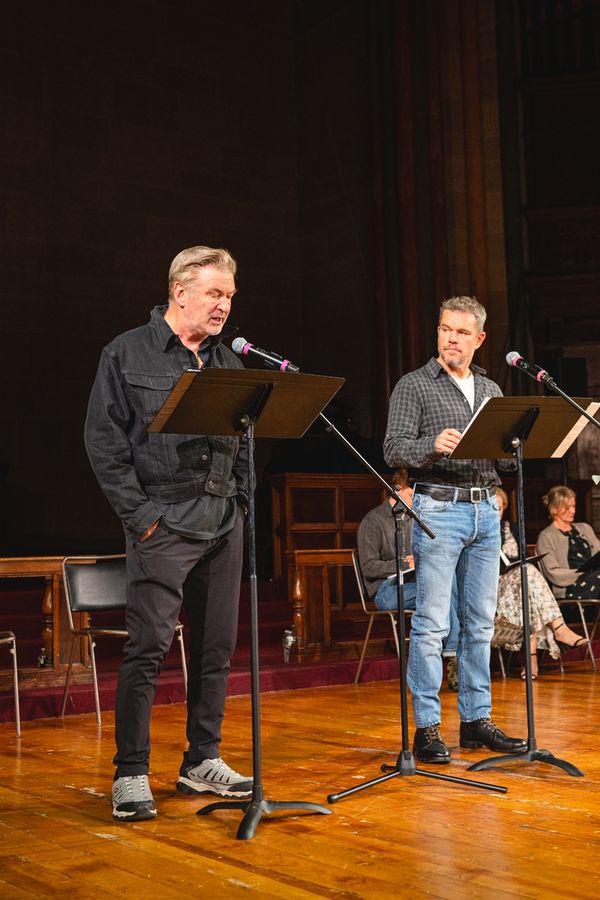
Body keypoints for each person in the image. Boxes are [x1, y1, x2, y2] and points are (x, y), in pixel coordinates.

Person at [85, 245, 253, 821]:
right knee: (148, 650)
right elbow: (104, 446)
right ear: (179, 291)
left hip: (222, 523)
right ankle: (131, 770)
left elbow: (244, 442)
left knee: (215, 648)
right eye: (214, 293)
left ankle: (201, 759)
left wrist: (242, 505)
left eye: (229, 296)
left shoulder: (229, 361)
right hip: (163, 525)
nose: (224, 306)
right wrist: (143, 519)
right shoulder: (126, 352)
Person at [383, 295, 526, 764]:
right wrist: (432, 445)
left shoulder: (491, 391)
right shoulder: (414, 385)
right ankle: (427, 727)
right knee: (430, 626)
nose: (452, 338)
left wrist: (515, 452)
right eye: (446, 329)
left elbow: (501, 458)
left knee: (480, 624)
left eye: (462, 332)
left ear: (479, 339)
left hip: (485, 513)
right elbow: (393, 449)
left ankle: (475, 720)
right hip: (438, 510)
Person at [357, 468, 460, 690]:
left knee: (447, 585)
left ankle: (451, 654)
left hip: (414, 582)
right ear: (396, 490)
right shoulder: (373, 521)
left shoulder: (415, 519)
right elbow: (368, 567)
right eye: (413, 494)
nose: (417, 500)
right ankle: (452, 655)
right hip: (385, 589)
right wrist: (405, 563)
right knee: (441, 592)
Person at [495, 488, 584, 679]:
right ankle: (559, 628)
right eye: (493, 508)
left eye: (501, 508)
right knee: (527, 575)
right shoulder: (477, 532)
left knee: (526, 581)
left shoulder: (513, 528)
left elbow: (524, 557)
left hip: (520, 588)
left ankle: (531, 660)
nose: (498, 513)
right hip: (493, 588)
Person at [537, 484, 600, 606]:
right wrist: (581, 573)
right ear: (554, 509)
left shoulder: (585, 528)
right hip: (570, 587)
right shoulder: (546, 536)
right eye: (567, 507)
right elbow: (553, 573)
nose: (573, 511)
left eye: (573, 506)